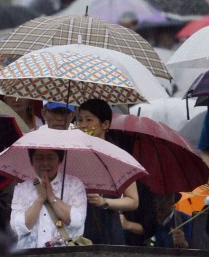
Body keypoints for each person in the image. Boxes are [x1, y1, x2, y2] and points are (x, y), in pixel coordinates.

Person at [75, 99, 139, 244]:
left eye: (89, 120)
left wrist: (104, 202)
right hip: (78, 227)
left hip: (108, 226)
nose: (83, 125)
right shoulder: (73, 155)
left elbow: (133, 201)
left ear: (105, 124)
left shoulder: (118, 157)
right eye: (80, 120)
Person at [10, 148, 87, 249]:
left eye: (50, 158)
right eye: (39, 158)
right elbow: (17, 227)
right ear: (32, 161)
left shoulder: (74, 185)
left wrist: (52, 197)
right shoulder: (22, 189)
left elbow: (78, 221)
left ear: (60, 159)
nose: (45, 163)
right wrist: (40, 199)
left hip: (66, 255)